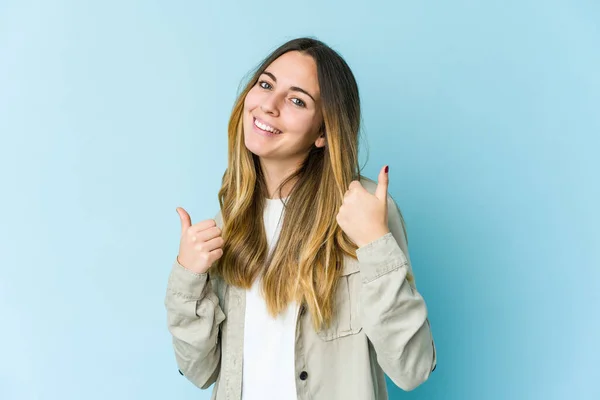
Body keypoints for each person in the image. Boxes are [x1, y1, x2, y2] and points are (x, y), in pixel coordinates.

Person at [165, 37, 437, 400]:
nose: (269, 106)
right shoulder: (230, 221)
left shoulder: (364, 211)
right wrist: (188, 275)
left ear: (324, 132)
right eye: (265, 84)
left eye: (297, 100)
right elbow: (201, 371)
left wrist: (375, 244)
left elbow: (412, 368)